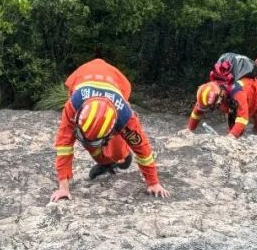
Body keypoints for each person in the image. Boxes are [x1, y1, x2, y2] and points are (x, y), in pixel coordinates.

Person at [51, 58, 169, 202]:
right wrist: (63, 187)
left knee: (118, 148)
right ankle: (105, 161)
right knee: (91, 143)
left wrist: (153, 182)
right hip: (82, 75)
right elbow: (64, 145)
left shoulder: (125, 116)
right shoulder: (73, 104)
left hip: (118, 82)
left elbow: (142, 149)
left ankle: (121, 152)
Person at [186, 55, 257, 138]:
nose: (214, 108)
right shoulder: (208, 91)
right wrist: (189, 129)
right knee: (233, 130)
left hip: (256, 93)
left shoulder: (237, 91)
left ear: (220, 96)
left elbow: (243, 118)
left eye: (214, 106)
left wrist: (232, 136)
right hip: (232, 100)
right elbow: (197, 111)